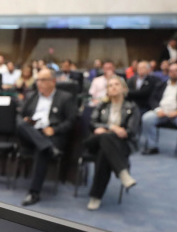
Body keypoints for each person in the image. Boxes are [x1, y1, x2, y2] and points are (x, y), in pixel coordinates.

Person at [16, 68, 78, 207]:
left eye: (43, 80)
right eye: (38, 80)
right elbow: (20, 115)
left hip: (52, 134)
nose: (39, 83)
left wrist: (55, 129)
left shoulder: (65, 97)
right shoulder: (32, 96)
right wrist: (26, 120)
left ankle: (34, 193)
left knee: (41, 150)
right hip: (32, 133)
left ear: (53, 81)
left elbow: (71, 121)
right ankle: (48, 147)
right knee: (21, 125)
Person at [85, 77, 140, 210]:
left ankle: (96, 196)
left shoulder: (132, 107)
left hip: (120, 144)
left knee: (104, 152)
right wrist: (113, 127)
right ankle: (122, 172)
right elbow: (92, 123)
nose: (113, 87)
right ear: (107, 91)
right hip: (94, 142)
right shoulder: (101, 105)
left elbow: (131, 131)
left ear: (124, 88)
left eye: (116, 84)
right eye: (110, 86)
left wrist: (107, 130)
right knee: (105, 138)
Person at [141, 63, 177, 160]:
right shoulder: (161, 85)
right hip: (161, 113)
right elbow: (152, 99)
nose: (173, 73)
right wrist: (158, 110)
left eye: (176, 70)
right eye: (171, 71)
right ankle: (152, 146)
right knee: (147, 118)